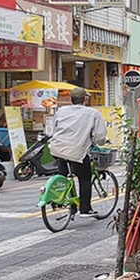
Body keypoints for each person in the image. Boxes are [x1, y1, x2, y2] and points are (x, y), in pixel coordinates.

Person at [48, 87, 108, 217]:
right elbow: (99, 136)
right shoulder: (93, 113)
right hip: (77, 151)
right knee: (85, 177)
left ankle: (59, 199)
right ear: (85, 99)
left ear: (71, 99)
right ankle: (85, 209)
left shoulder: (61, 111)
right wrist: (102, 142)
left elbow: (54, 128)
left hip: (57, 148)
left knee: (63, 173)